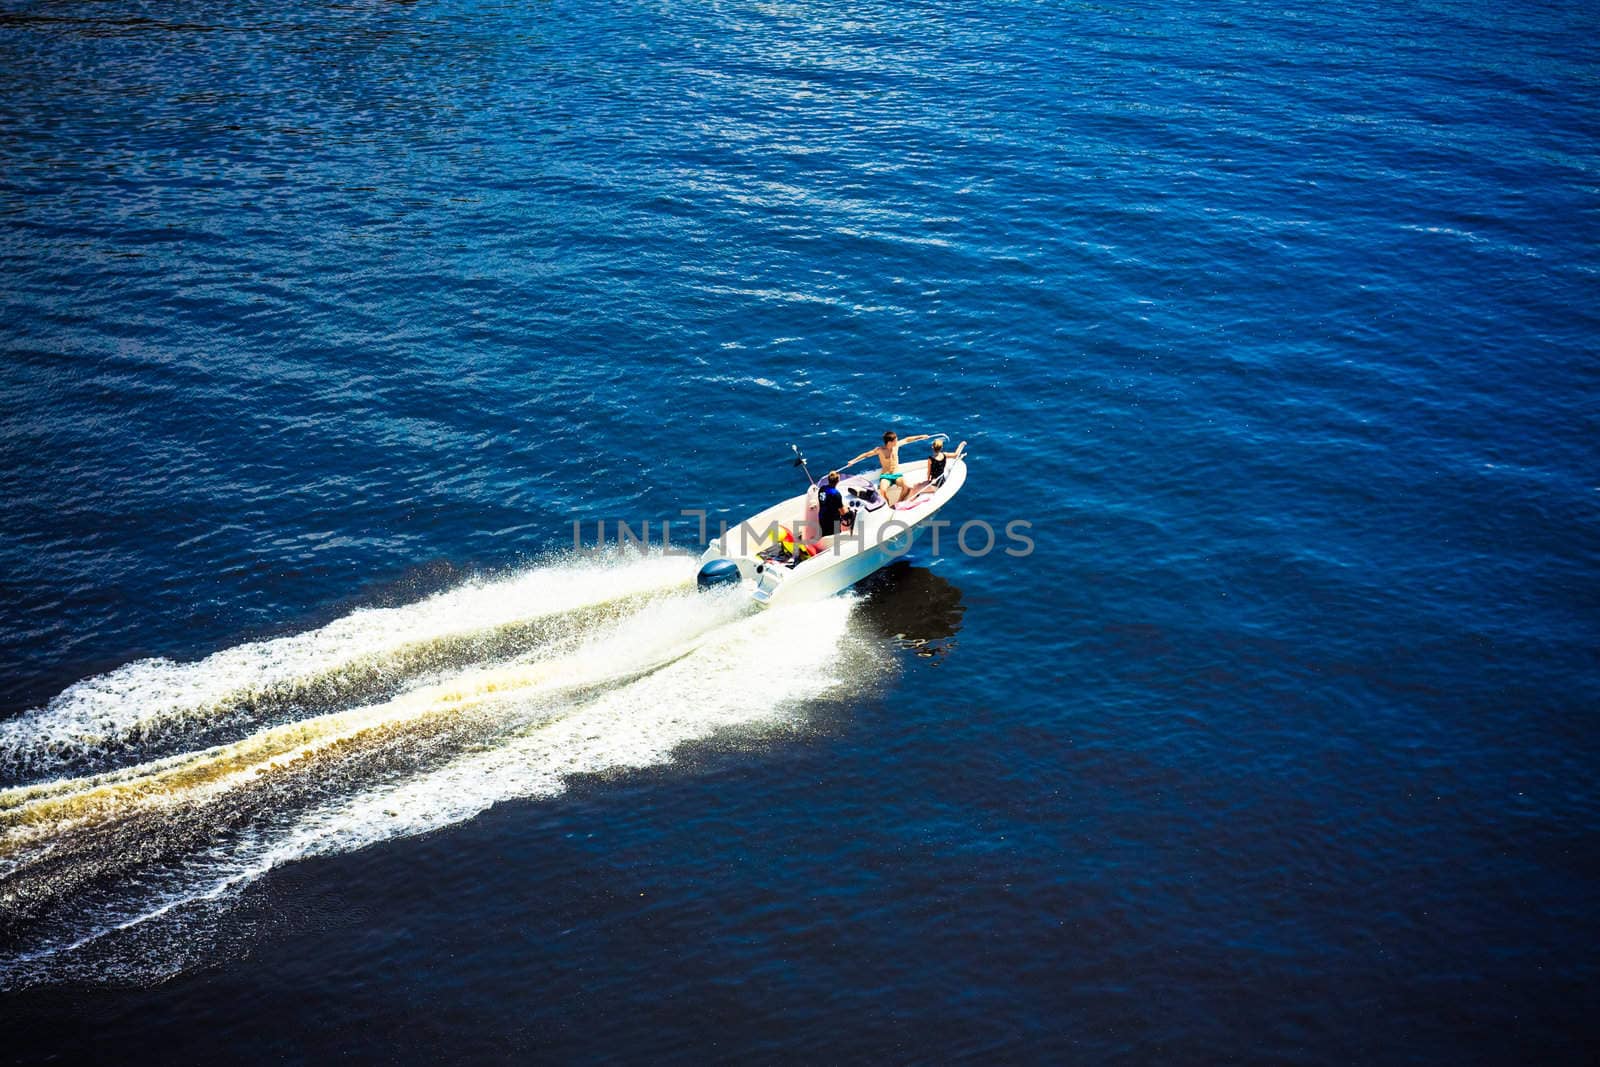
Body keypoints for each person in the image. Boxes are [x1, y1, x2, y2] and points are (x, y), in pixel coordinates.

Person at [844, 430, 936, 505]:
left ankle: (899, 503)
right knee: (883, 491)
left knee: (906, 487)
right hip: (886, 476)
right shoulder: (880, 450)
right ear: (889, 442)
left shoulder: (896, 446)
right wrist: (853, 461)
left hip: (896, 475)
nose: (897, 441)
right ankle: (887, 506)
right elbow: (866, 455)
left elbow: (908, 439)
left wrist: (922, 436)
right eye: (895, 440)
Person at [817, 470, 849, 536]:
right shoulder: (836, 494)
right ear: (838, 480)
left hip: (822, 517)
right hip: (833, 521)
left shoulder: (822, 489)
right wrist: (848, 509)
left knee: (825, 534)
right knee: (835, 538)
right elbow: (843, 512)